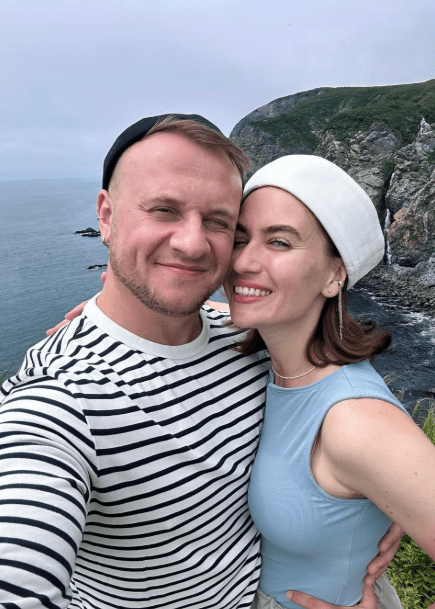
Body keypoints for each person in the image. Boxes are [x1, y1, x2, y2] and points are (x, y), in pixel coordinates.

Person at [2, 114, 400, 609]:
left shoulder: (249, 339)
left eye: (219, 222)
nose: (192, 244)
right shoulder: (57, 401)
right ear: (105, 216)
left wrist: (380, 503)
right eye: (164, 210)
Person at [218, 154, 435, 609]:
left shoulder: (354, 421)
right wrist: (117, 313)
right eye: (240, 238)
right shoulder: (280, 360)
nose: (243, 261)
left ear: (335, 275)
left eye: (279, 242)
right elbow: (218, 311)